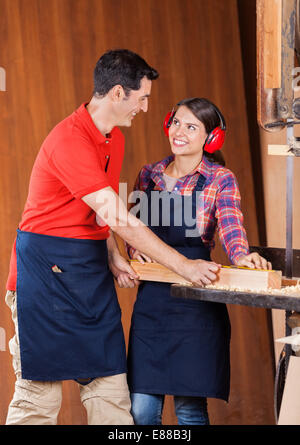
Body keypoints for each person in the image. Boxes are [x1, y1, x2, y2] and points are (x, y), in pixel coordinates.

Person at [5, 51, 225, 426]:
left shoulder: (113, 140)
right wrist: (183, 265)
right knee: (37, 401)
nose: (146, 107)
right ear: (119, 93)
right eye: (143, 98)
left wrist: (111, 253)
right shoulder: (69, 139)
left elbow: (97, 210)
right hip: (42, 278)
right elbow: (114, 211)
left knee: (111, 395)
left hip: (88, 274)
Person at [126, 97, 271, 425]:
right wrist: (136, 250)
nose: (180, 131)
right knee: (141, 411)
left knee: (189, 410)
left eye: (191, 127)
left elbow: (232, 226)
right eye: (176, 122)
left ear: (211, 138)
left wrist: (241, 256)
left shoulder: (220, 179)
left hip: (197, 303)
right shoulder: (148, 176)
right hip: (152, 304)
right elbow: (133, 230)